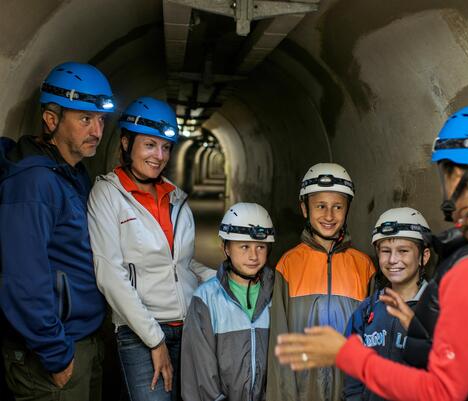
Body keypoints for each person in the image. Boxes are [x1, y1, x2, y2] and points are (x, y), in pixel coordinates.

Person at [275, 104, 468, 401]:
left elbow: (441, 392)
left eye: (446, 172)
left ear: (460, 174)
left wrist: (348, 355)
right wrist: (423, 333)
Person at [0, 61, 115, 401]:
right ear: (51, 120)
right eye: (84, 119)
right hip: (53, 352)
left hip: (81, 339)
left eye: (101, 120)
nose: (96, 130)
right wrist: (55, 353)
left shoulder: (71, 172)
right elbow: (22, 279)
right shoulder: (33, 184)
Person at [87, 96, 214, 401]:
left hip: (187, 328)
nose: (159, 156)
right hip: (139, 331)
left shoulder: (175, 197)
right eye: (150, 145)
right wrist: (155, 341)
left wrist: (225, 279)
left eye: (166, 147)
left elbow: (179, 263)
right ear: (126, 143)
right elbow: (109, 274)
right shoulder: (107, 195)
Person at [267, 163, 375, 401]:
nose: (329, 216)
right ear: (304, 209)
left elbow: (371, 342)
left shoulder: (364, 267)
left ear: (347, 210)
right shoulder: (288, 265)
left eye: (338, 207)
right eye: (320, 206)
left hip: (348, 390)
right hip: (303, 391)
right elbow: (280, 345)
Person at [181, 202, 275, 401]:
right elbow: (201, 372)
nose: (253, 256)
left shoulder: (277, 296)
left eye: (261, 246)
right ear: (225, 247)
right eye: (244, 247)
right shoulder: (205, 300)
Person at [343, 207, 431, 401]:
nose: (392, 260)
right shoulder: (367, 309)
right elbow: (352, 370)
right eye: (385, 251)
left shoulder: (438, 309)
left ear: (423, 256)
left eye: (403, 251)